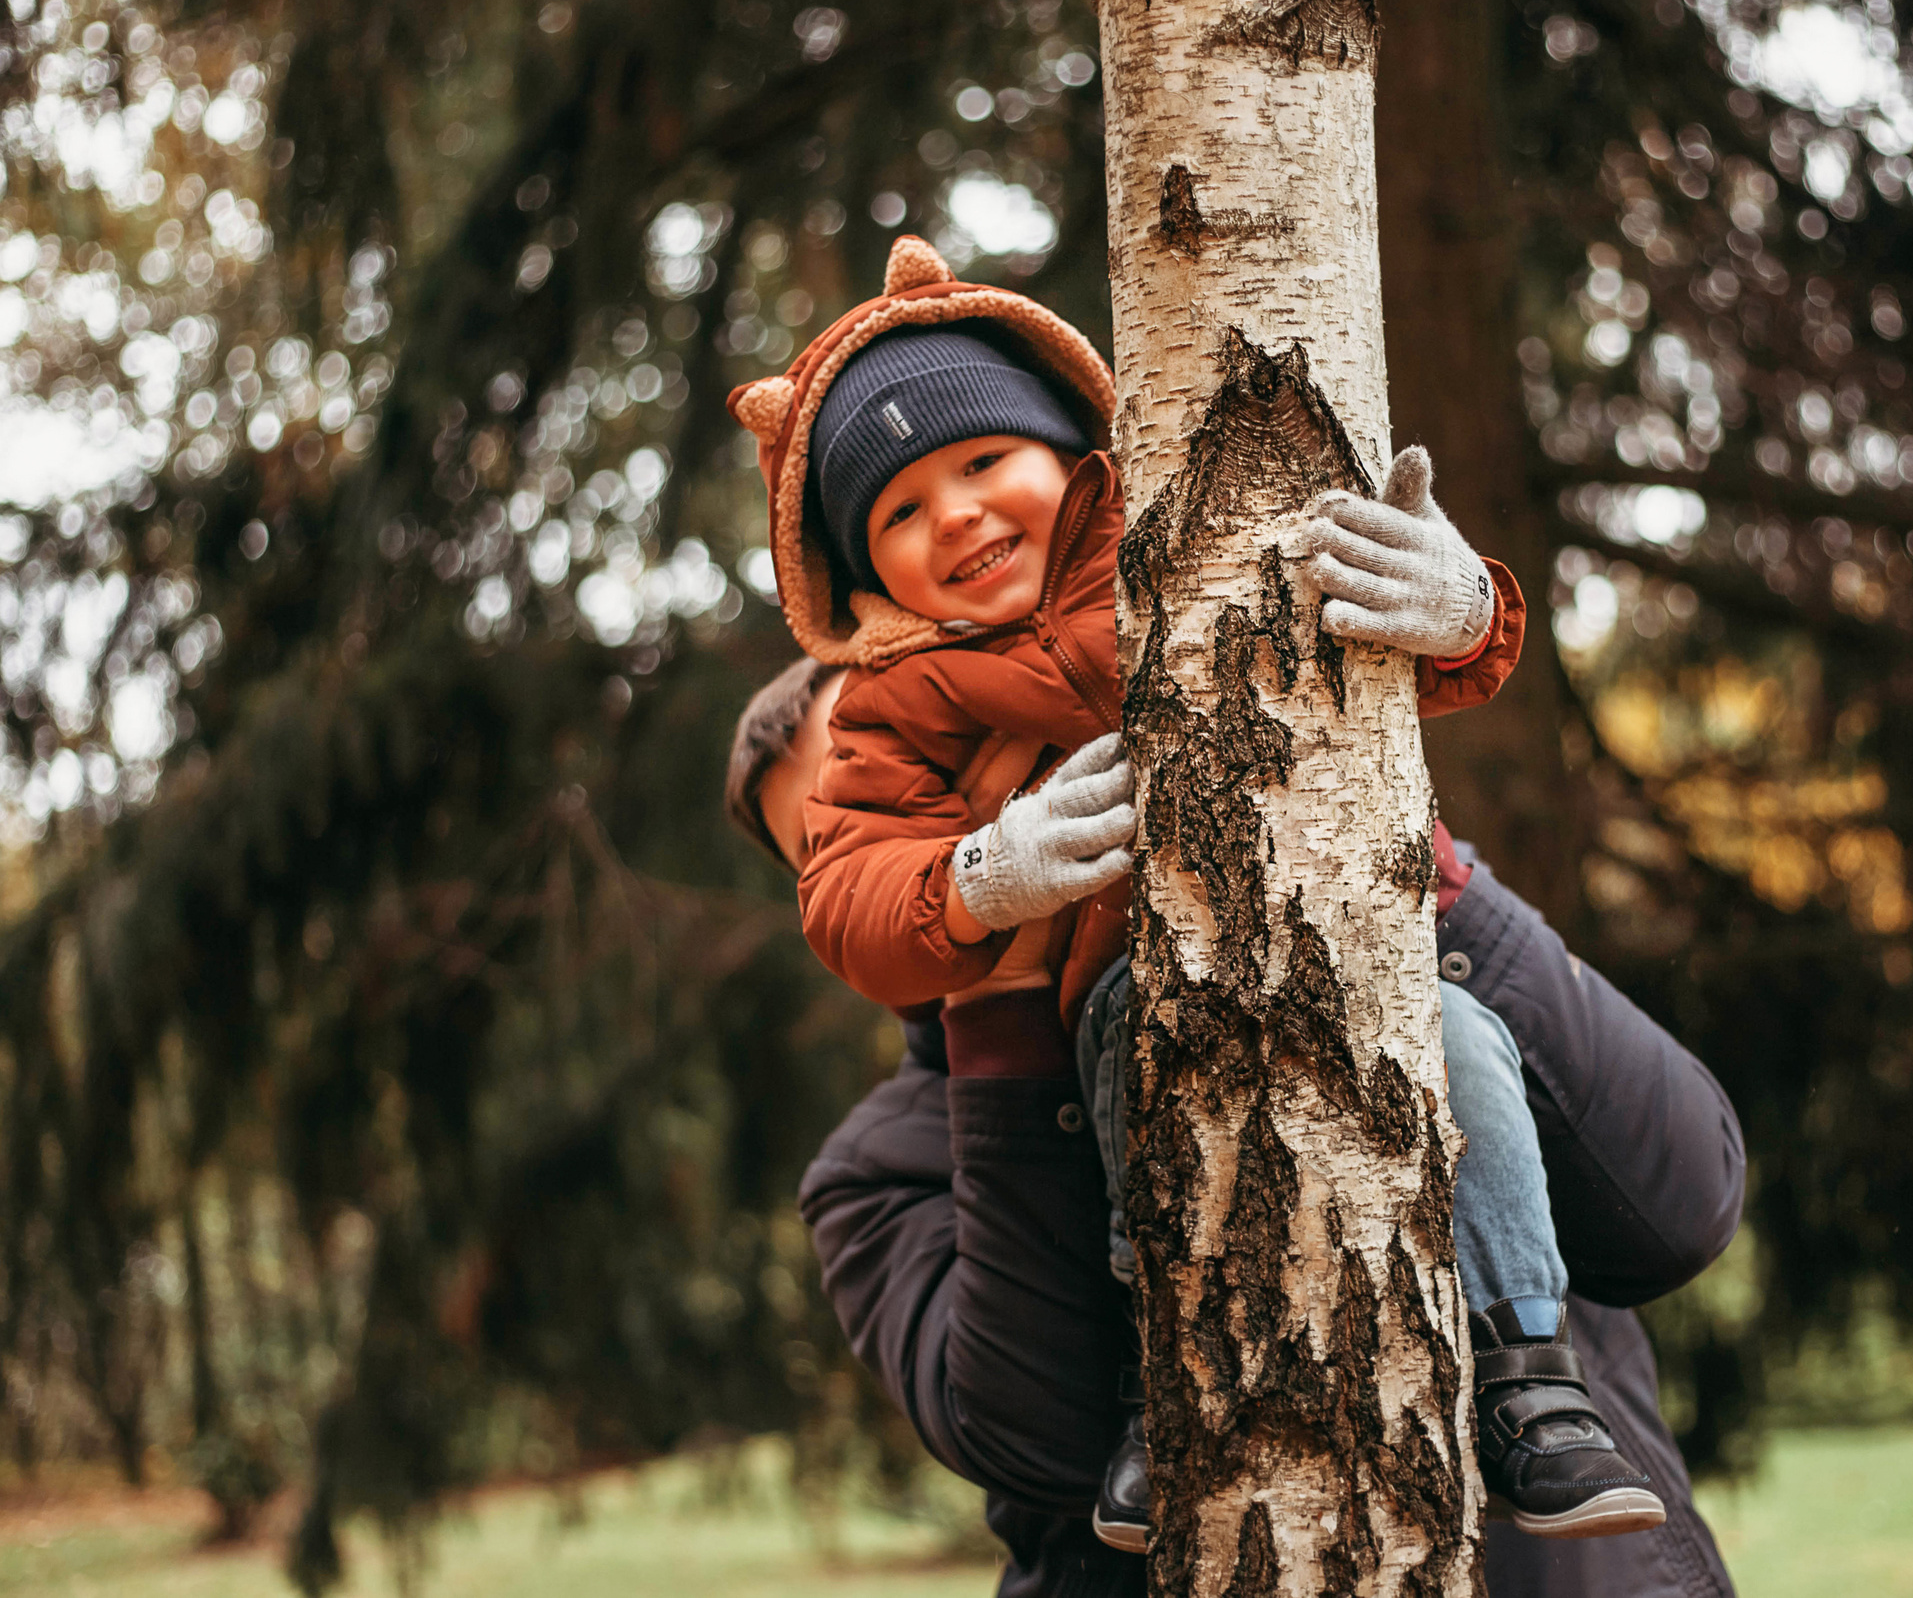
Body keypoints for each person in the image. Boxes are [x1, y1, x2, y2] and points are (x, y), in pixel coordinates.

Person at [719, 232, 1667, 1545]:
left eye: (985, 462)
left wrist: (1463, 615)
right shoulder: (893, 709)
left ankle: (1532, 1369)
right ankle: (1168, 1405)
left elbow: (1348, 658)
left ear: (1077, 453)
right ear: (869, 578)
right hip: (1128, 972)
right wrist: (983, 872)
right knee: (1152, 1092)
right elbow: (864, 888)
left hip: (1344, 931)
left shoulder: (1181, 539)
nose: (956, 515)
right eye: (898, 514)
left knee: (1467, 1052)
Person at [728, 657, 1746, 1597]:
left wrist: (1403, 861)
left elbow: (1678, 1204)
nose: (944, 819)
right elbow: (1040, 1446)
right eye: (849, 829)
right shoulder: (880, 1169)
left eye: (942, 766)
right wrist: (997, 1003)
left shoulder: (1378, 921)